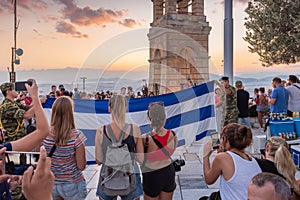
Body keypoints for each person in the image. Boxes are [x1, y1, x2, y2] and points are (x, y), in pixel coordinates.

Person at [0, 79, 52, 199]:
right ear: (8, 91)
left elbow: (28, 108)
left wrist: (36, 98)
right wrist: (37, 99)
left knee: (17, 178)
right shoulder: (7, 106)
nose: (16, 91)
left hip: (17, 143)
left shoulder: (14, 103)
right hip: (13, 145)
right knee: (14, 180)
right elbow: (28, 115)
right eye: (13, 89)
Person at [95, 94, 143, 200]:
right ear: (125, 108)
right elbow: (140, 159)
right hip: (130, 175)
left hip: (108, 174)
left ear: (109, 108)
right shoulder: (134, 129)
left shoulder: (101, 131)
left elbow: (98, 160)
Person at [42, 96, 87, 200]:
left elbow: (40, 161)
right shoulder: (76, 136)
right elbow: (81, 166)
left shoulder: (43, 135)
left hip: (51, 184)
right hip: (73, 183)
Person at [203, 123, 261, 200]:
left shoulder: (222, 158)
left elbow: (209, 180)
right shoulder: (252, 160)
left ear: (225, 140)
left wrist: (205, 156)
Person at [142, 102, 177, 200]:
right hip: (168, 171)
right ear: (164, 116)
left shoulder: (144, 138)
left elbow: (140, 159)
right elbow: (170, 153)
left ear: (149, 117)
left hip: (152, 174)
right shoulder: (173, 135)